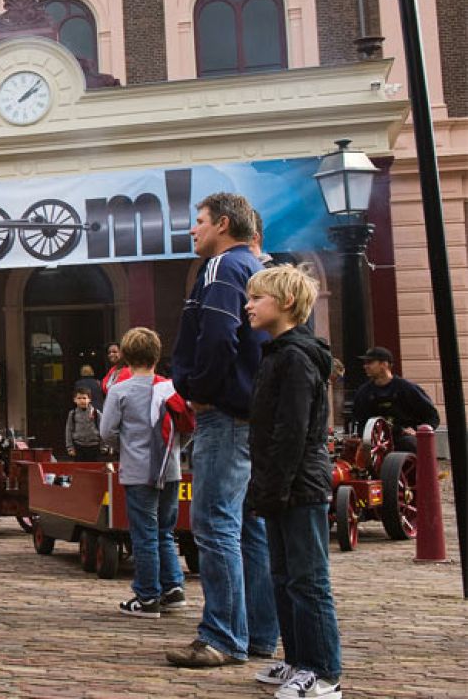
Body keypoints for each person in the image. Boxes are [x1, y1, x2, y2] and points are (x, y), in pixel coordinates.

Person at [165, 192, 280, 667]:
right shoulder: (255, 270)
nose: (193, 230)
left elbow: (215, 336)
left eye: (200, 221)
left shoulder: (219, 268)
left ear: (223, 224)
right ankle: (257, 635)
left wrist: (198, 389)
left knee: (214, 524)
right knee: (249, 528)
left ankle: (221, 636)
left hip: (224, 414)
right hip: (252, 414)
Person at [244, 265, 344, 698]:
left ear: (285, 304)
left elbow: (292, 431)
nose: (248, 305)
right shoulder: (279, 354)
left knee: (308, 580)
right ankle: (298, 658)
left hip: (298, 485)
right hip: (282, 484)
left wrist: (273, 487)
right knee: (284, 576)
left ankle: (323, 671)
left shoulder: (295, 357)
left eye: (256, 298)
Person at [99, 327, 186, 619]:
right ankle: (173, 588)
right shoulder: (169, 388)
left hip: (138, 471)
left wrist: (126, 446)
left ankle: (148, 596)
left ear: (124, 355)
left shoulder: (120, 391)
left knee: (144, 534)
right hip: (171, 468)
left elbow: (107, 431)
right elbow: (184, 427)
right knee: (165, 531)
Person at [351, 346, 438, 453]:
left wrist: (418, 431)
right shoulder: (363, 392)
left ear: (384, 364)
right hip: (374, 442)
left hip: (403, 439)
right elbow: (359, 420)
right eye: (365, 363)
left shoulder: (407, 388)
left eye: (370, 362)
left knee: (410, 444)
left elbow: (432, 416)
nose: (365, 366)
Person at [65, 389, 103, 462]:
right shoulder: (72, 414)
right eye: (79, 398)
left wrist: (104, 446)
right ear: (74, 400)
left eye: (84, 398)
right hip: (78, 446)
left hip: (94, 446)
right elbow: (68, 430)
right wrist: (70, 448)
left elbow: (102, 429)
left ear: (89, 399)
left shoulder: (96, 413)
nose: (82, 400)